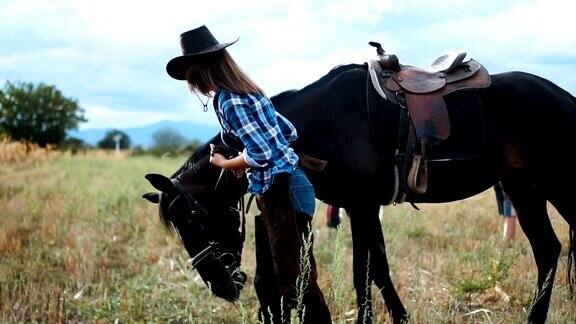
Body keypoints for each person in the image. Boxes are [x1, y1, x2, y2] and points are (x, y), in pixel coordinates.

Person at [166, 25, 330, 323]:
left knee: (297, 279)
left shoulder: (228, 100)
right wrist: (247, 159)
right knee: (277, 277)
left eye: (192, 79)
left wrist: (227, 164)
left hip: (285, 192)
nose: (194, 87)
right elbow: (287, 132)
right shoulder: (250, 91)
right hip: (287, 187)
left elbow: (263, 153)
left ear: (202, 72)